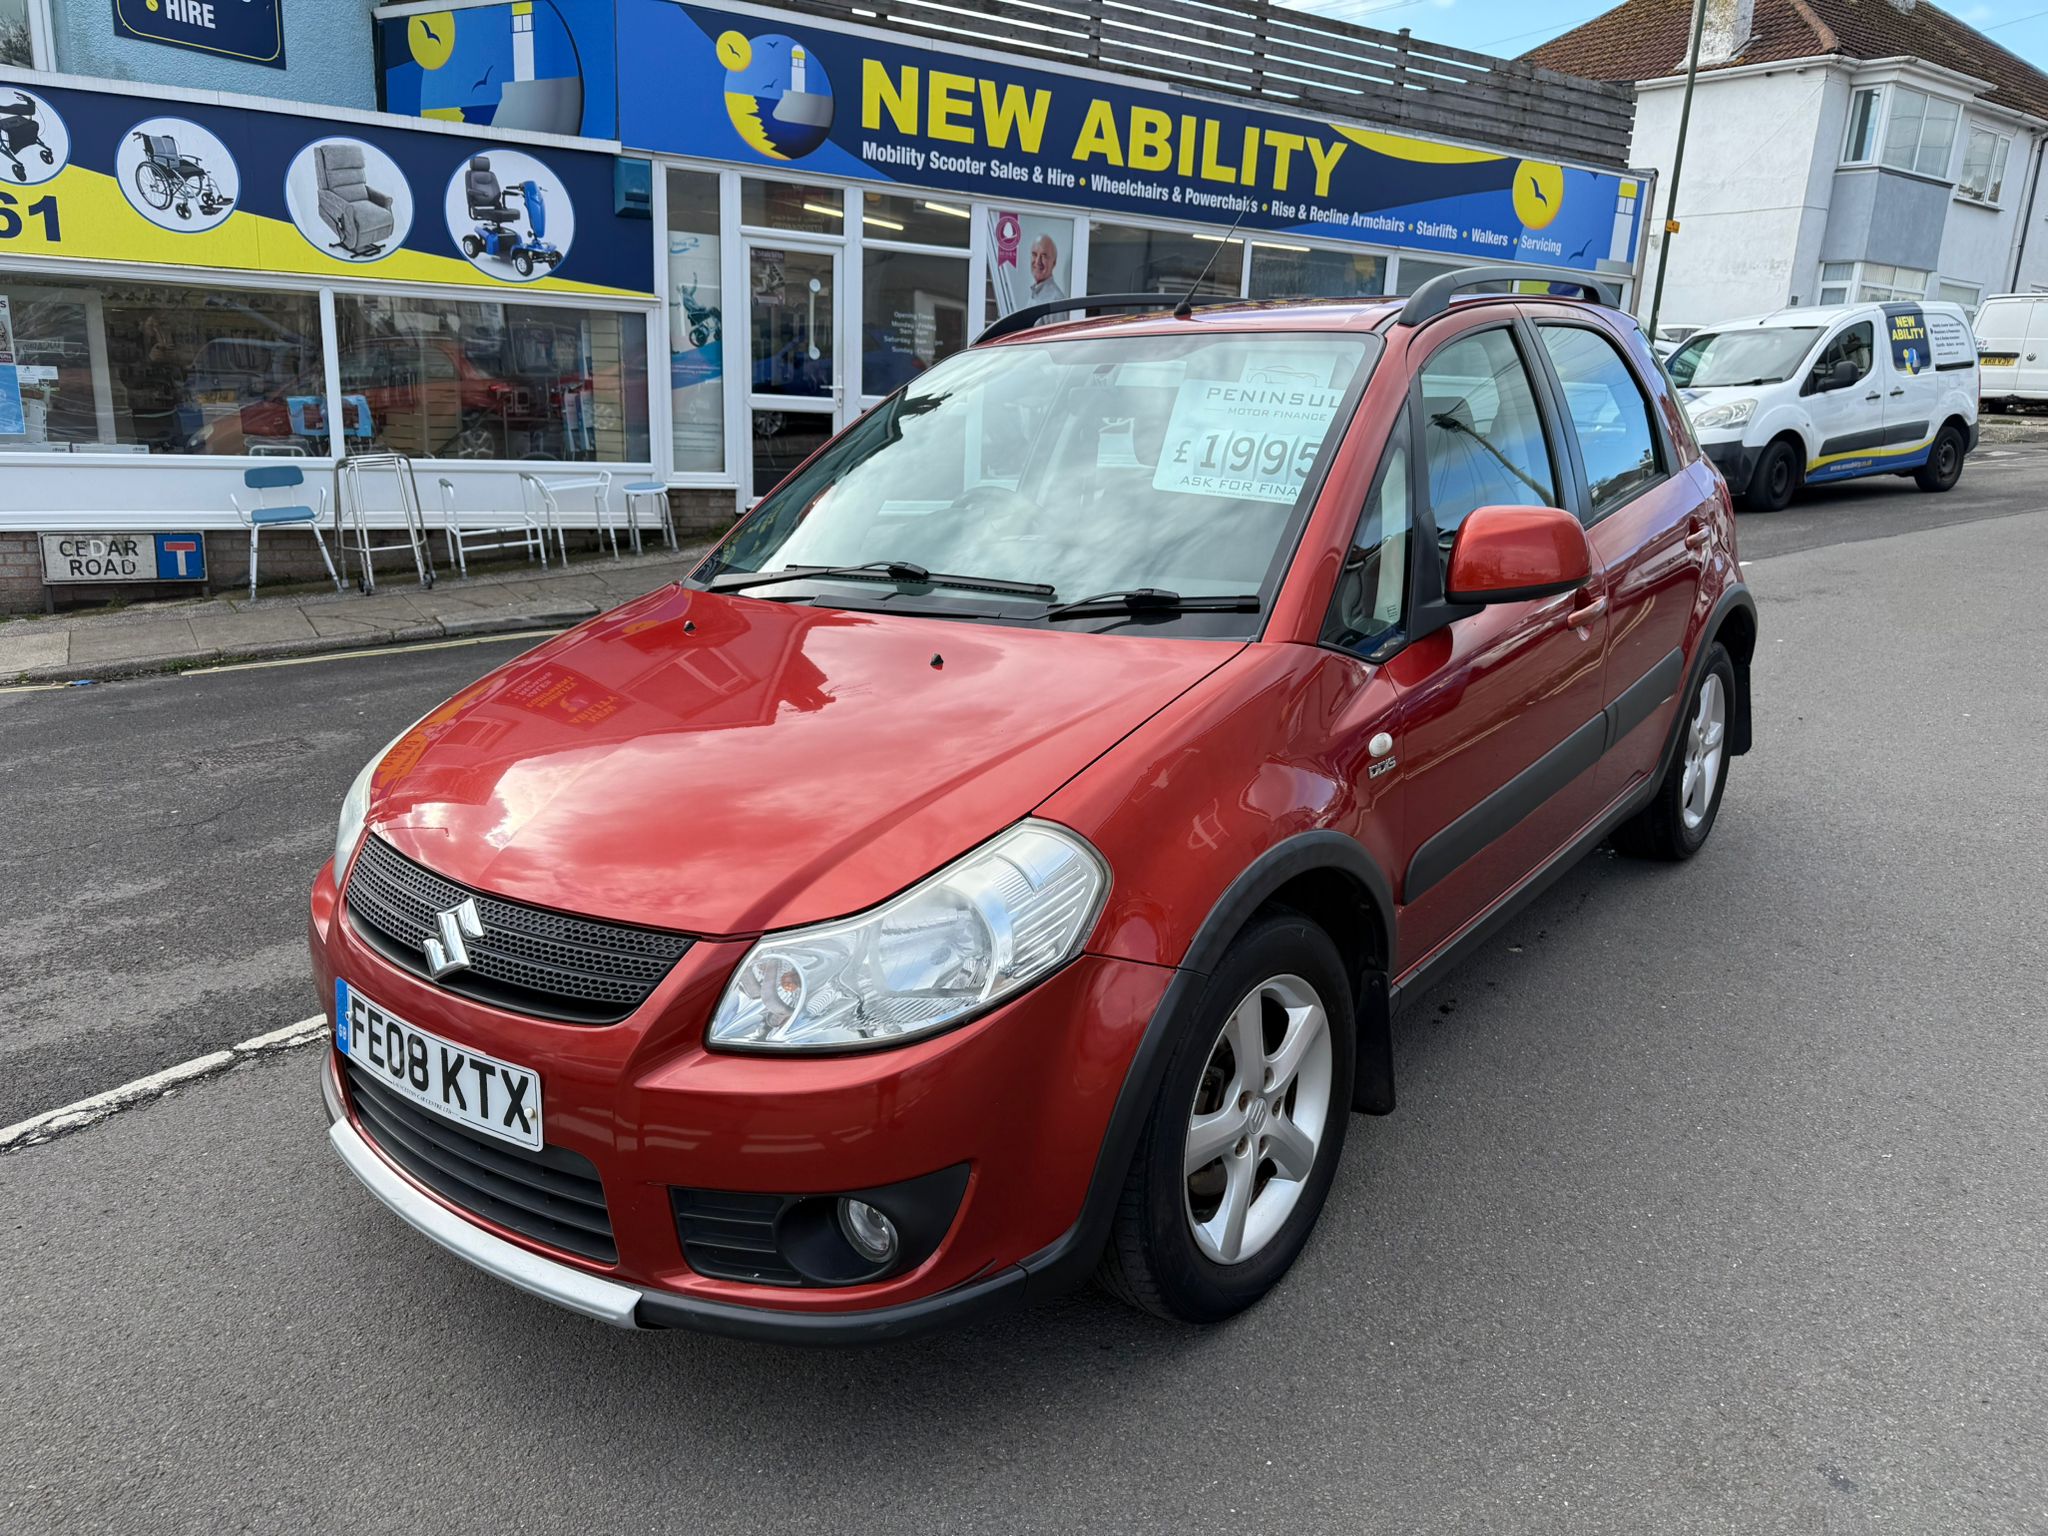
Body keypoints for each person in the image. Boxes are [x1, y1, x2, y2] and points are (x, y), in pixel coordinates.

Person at [1028, 235, 1067, 307]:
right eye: (1034, 254)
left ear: (1054, 263)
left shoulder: (1056, 300)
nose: (1037, 261)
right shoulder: (1035, 292)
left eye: (1044, 256)